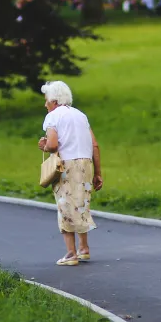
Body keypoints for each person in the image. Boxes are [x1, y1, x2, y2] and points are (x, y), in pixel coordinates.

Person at [38, 81, 103, 267]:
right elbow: (95, 145)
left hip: (67, 166)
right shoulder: (81, 115)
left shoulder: (53, 117)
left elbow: (52, 145)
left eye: (46, 101)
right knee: (81, 204)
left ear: (54, 100)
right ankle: (84, 249)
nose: (45, 105)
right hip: (86, 164)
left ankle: (70, 253)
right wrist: (98, 173)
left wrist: (44, 145)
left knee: (65, 206)